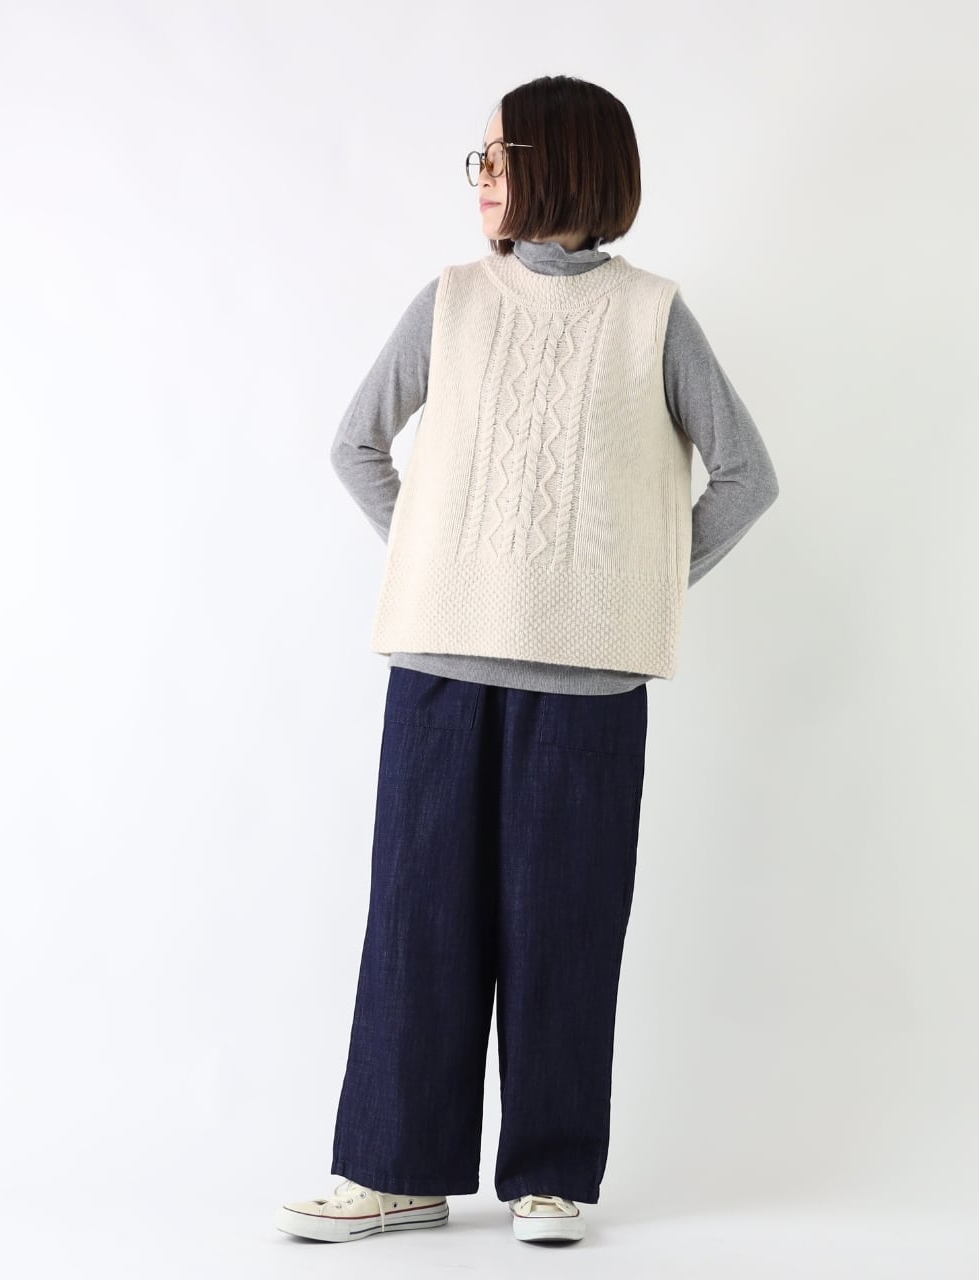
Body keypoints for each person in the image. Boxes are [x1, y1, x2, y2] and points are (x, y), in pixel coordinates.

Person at [274, 73, 780, 1247]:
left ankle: (552, 1174)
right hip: (440, 670)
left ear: (565, 165)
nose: (482, 175)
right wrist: (441, 562)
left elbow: (748, 475)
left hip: (588, 686)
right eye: (483, 157)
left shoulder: (652, 315)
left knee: (566, 926)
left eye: (499, 155)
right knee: (418, 917)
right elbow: (356, 445)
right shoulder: (452, 301)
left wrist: (640, 586)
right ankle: (394, 1170)